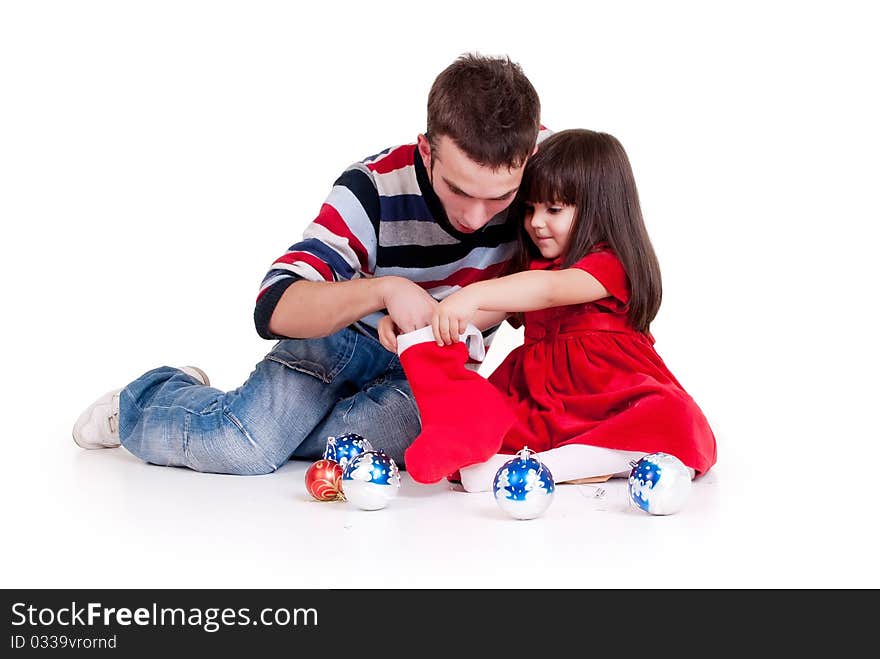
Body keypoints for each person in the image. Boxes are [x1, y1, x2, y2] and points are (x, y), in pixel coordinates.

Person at [72, 53, 548, 475]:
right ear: (427, 151)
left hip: (426, 372)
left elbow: (597, 267)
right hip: (343, 341)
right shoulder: (373, 189)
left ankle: (262, 419)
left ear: (529, 156)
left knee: (410, 440)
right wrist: (385, 291)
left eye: (501, 197)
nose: (475, 215)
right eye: (459, 190)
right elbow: (276, 305)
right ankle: (150, 396)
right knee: (246, 447)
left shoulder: (552, 175)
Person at [379, 129, 717, 490]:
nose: (536, 222)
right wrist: (421, 327)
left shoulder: (608, 265)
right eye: (530, 209)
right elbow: (477, 315)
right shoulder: (532, 269)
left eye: (553, 209)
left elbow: (550, 292)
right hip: (543, 397)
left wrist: (473, 294)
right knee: (485, 435)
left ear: (599, 209)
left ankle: (582, 460)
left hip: (606, 394)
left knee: (671, 419)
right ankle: (550, 462)